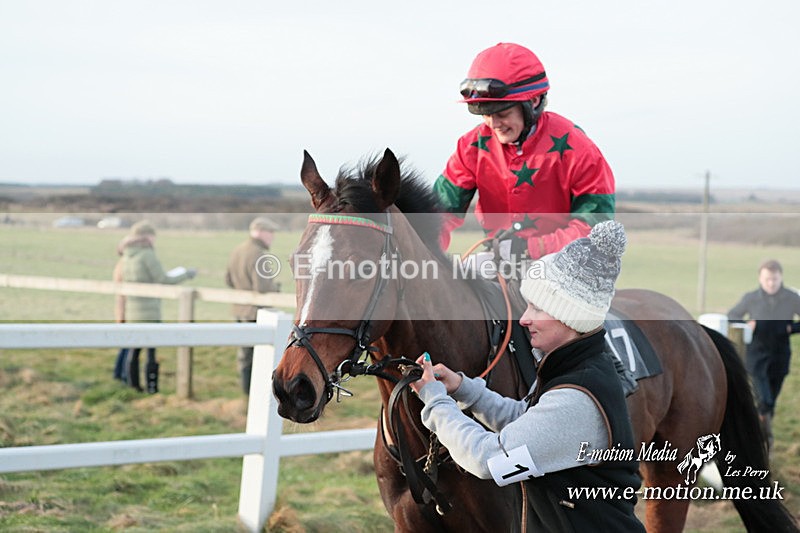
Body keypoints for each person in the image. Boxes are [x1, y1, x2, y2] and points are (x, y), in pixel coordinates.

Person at [410, 221, 645, 532]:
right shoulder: (578, 369)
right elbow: (528, 419)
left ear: (569, 316)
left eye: (537, 308)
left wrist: (436, 402)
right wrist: (465, 390)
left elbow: (488, 460)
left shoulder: (577, 398)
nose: (524, 319)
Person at [435, 42, 615, 262]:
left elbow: (596, 227)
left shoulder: (577, 147)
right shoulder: (471, 146)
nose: (493, 124)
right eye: (485, 115)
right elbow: (436, 213)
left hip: (566, 262)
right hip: (498, 254)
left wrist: (533, 247)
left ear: (534, 101)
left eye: (502, 113)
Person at [728, 259, 800, 448]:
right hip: (756, 358)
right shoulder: (750, 298)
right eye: (767, 279)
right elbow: (732, 315)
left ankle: (762, 434)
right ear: (760, 278)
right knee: (764, 399)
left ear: (780, 277)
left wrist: (792, 328)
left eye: (774, 279)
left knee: (770, 402)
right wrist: (747, 324)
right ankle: (763, 440)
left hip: (780, 356)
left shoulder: (792, 298)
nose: (771, 283)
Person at [120, 220, 196, 393]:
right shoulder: (147, 254)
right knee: (151, 351)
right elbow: (163, 279)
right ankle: (152, 387)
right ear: (147, 237)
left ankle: (133, 386)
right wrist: (186, 274)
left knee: (135, 350)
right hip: (149, 310)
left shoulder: (127, 255)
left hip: (133, 310)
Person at [225, 216, 281, 394]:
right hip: (256, 312)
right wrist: (276, 287)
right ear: (260, 232)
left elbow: (228, 280)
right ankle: (253, 393)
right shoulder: (259, 254)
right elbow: (263, 288)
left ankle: (245, 392)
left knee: (244, 353)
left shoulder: (237, 250)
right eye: (270, 233)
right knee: (258, 354)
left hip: (239, 309)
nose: (272, 237)